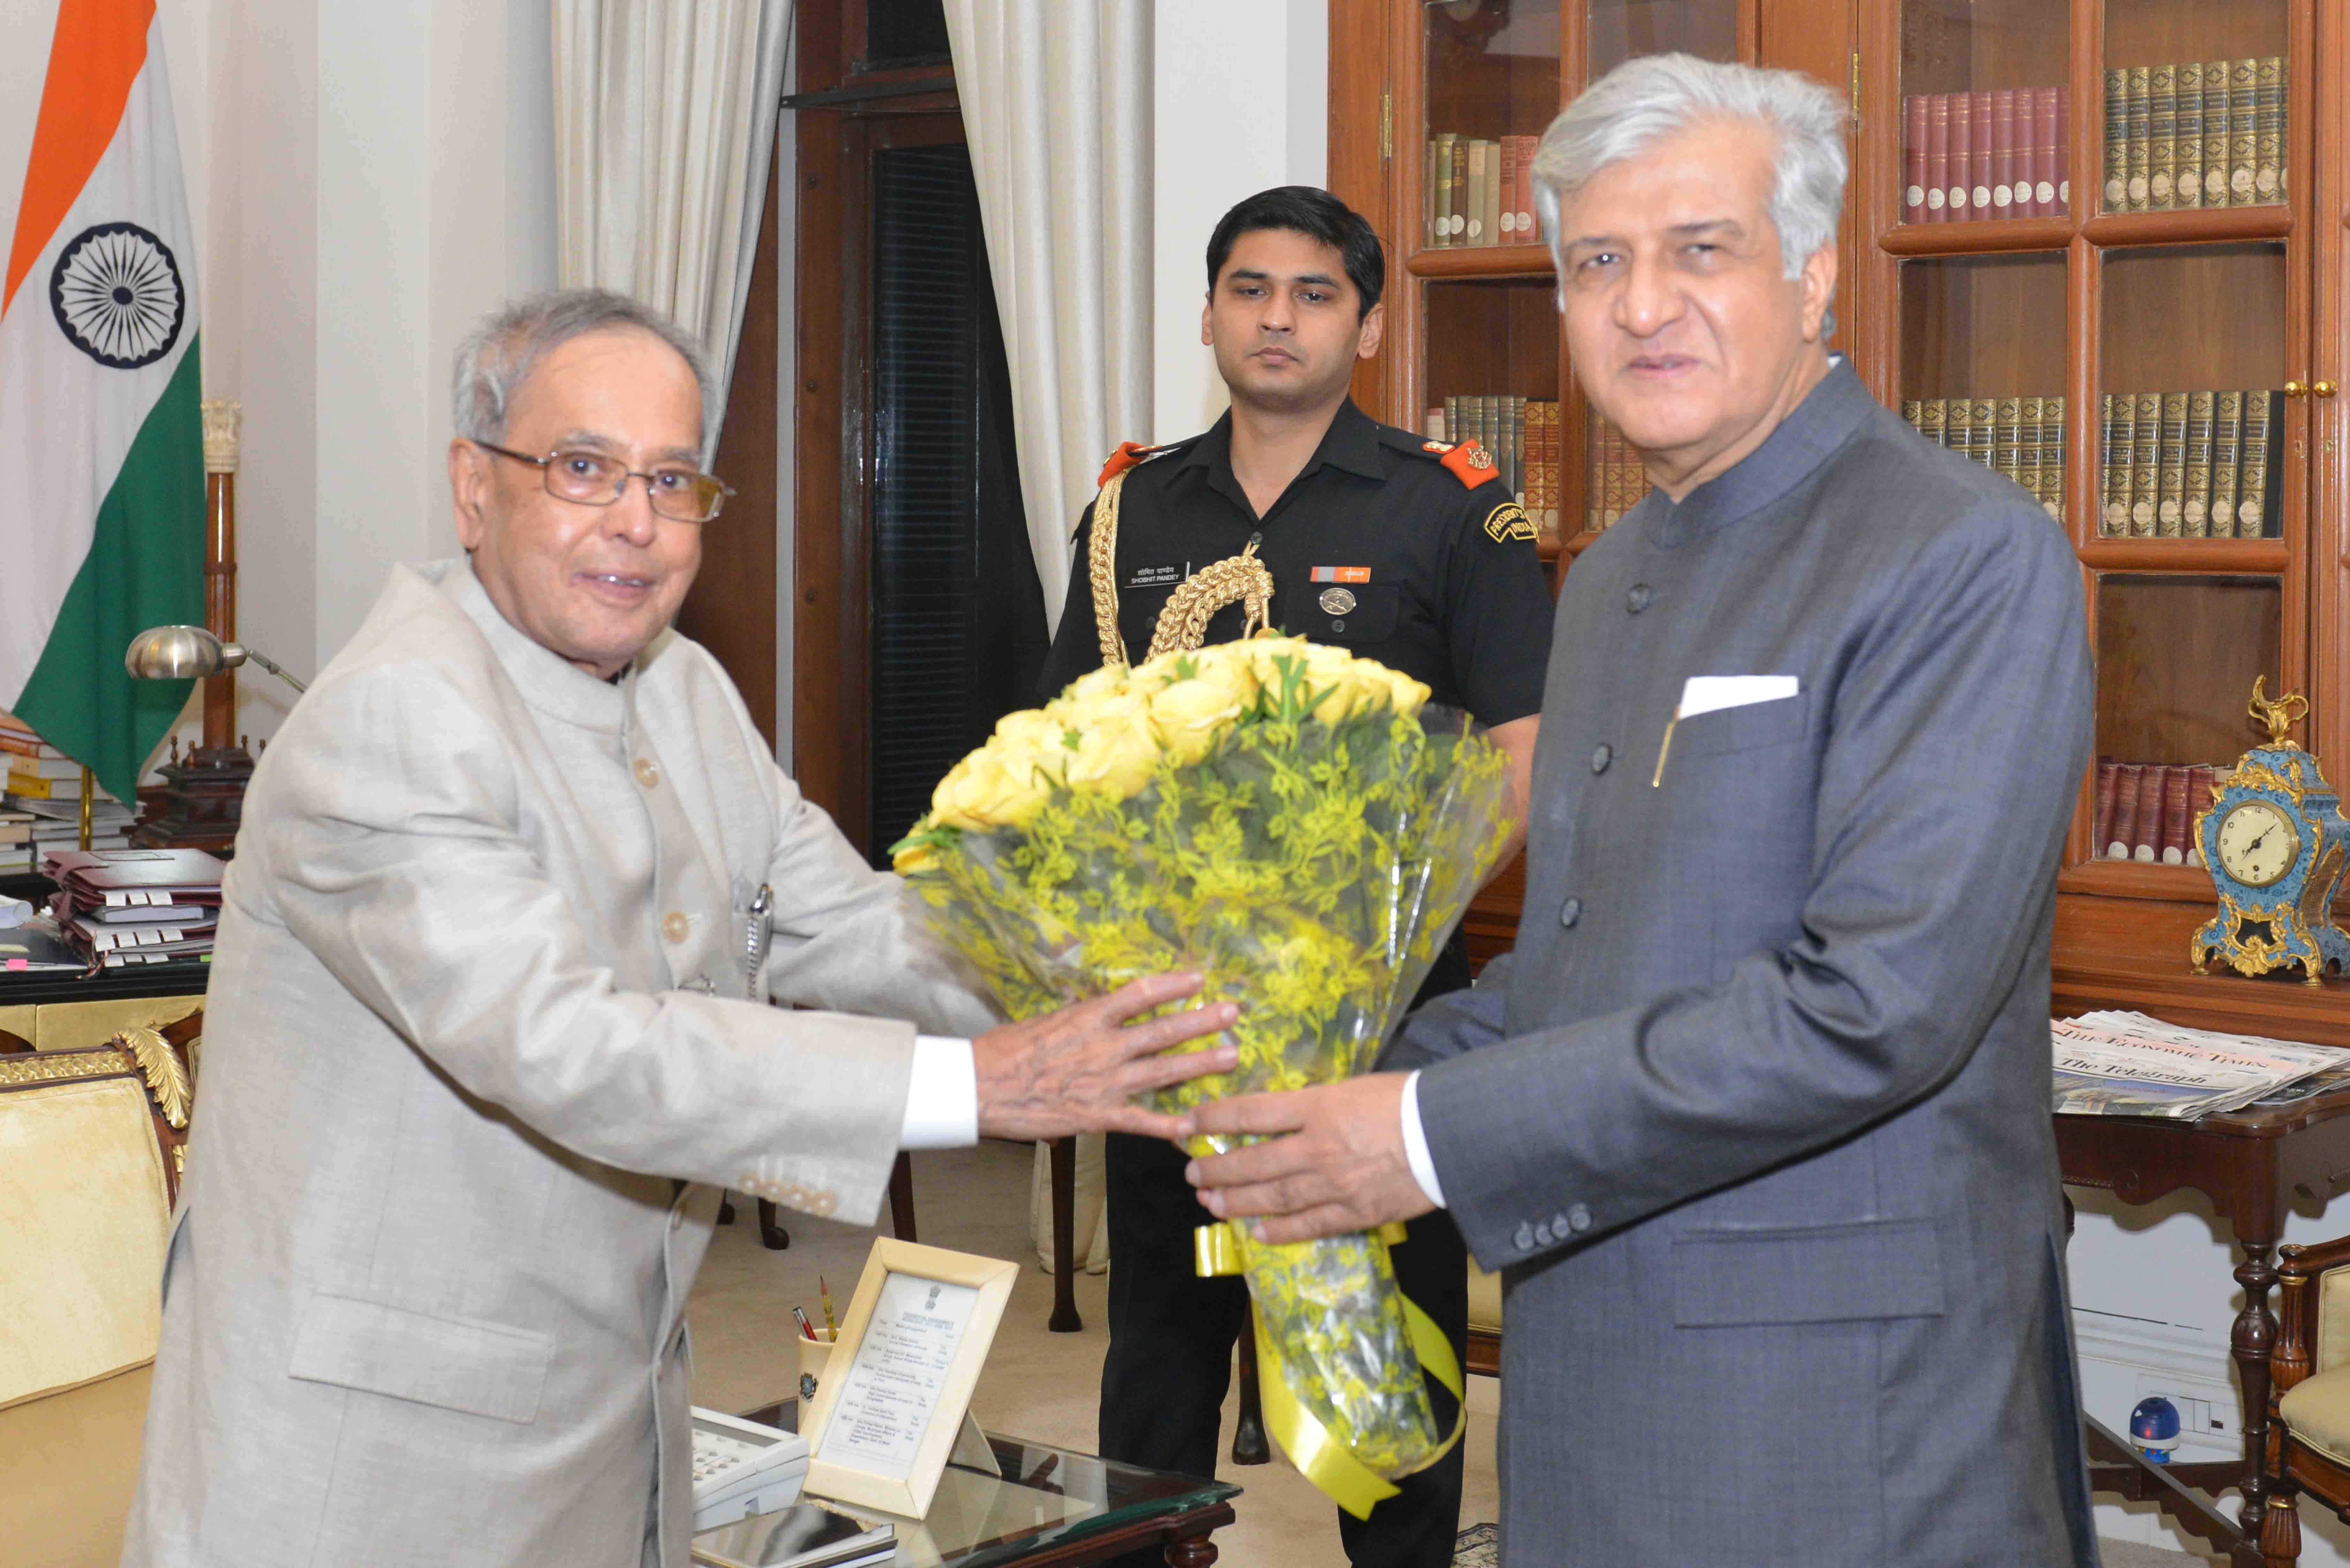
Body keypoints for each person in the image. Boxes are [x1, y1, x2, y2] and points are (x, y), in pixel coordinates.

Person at [124, 289, 1240, 1568]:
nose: (636, 526)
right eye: (583, 468)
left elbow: (849, 921)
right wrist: (980, 1085)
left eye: (672, 479)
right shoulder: (391, 720)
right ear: (473, 488)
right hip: (373, 1468)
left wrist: (1121, 978)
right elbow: (576, 1050)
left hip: (604, 1427)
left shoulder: (682, 686)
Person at [1185, 57, 2101, 1566]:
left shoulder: (1964, 555)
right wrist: (1307, 1061)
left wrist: (1418, 1131)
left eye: (1701, 250)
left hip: (1832, 1417)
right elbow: (1575, 979)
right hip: (1594, 1353)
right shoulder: (1605, 578)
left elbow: (1871, 1008)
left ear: (1813, 280)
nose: (1641, 303)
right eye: (1597, 260)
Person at [1034, 186, 1554, 1568]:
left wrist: (1369, 931)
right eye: (1250, 289)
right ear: (1209, 313)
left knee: (1384, 1361)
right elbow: (1070, 753)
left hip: (1375, 1015)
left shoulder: (1449, 508)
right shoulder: (1132, 507)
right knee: (1158, 1356)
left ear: (1366, 324)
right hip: (1174, 1015)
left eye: (1314, 293)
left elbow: (1526, 755)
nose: (1278, 316)